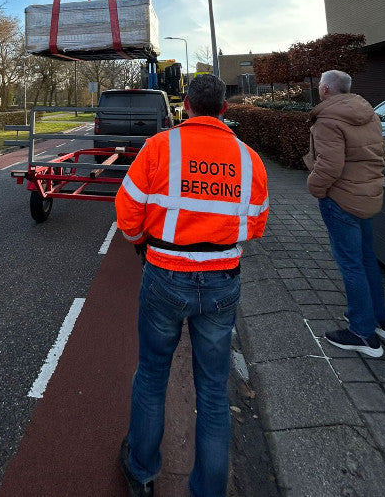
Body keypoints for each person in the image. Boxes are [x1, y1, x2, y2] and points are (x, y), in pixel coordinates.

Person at [115, 74, 269, 497]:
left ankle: (142, 471)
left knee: (151, 374)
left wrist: (141, 244)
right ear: (224, 109)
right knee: (214, 391)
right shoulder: (249, 158)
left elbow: (127, 208)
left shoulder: (160, 147)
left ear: (185, 105)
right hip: (222, 281)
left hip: (164, 273)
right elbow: (256, 224)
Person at [304, 69, 385, 358]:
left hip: (341, 199)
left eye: (321, 85)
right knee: (367, 259)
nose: (320, 89)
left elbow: (329, 165)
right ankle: (381, 321)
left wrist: (315, 187)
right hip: (368, 197)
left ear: (327, 90)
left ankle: (362, 332)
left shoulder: (328, 120)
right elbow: (382, 154)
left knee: (351, 264)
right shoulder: (369, 114)